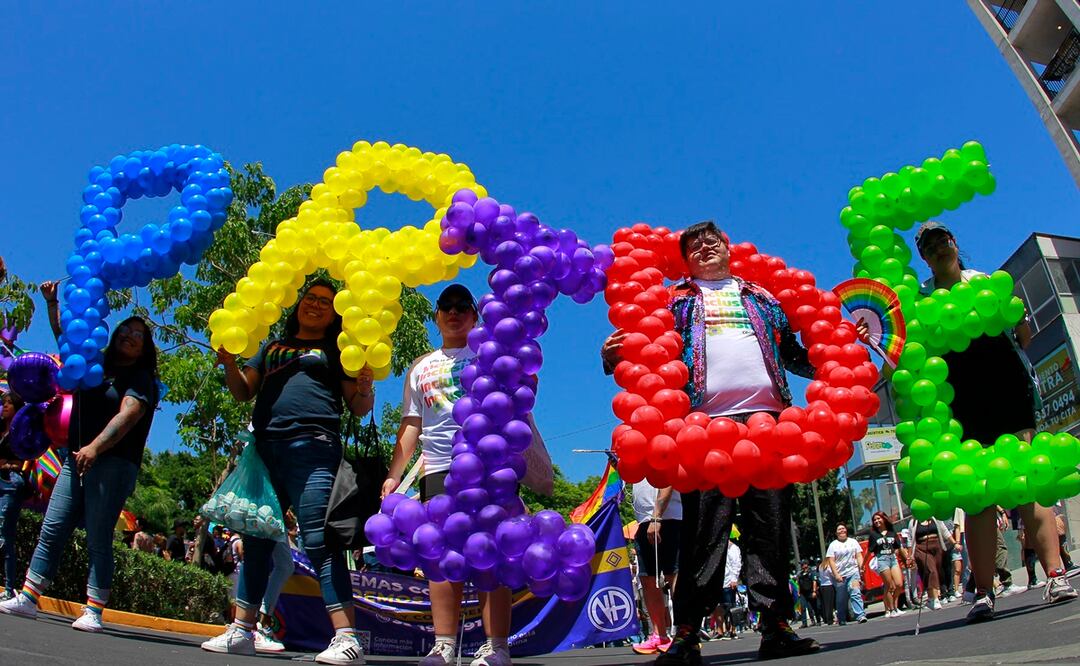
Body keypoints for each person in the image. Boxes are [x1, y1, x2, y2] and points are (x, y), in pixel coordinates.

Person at [603, 221, 820, 663]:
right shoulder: (674, 300)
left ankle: (775, 624)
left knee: (771, 527)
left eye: (712, 241)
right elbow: (644, 349)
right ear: (686, 260)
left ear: (727, 248)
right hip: (703, 427)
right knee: (703, 533)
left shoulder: (762, 298)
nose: (704, 248)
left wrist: (838, 351)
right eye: (694, 246)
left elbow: (795, 354)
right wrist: (612, 356)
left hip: (771, 423)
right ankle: (687, 634)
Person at [202, 279, 374, 664]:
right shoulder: (269, 346)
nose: (315, 305)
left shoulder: (336, 350)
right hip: (264, 450)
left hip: (315, 448)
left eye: (326, 303)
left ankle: (347, 639)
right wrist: (229, 364)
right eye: (310, 298)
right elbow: (243, 391)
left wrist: (365, 387)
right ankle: (242, 631)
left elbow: (358, 407)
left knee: (318, 539)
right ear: (298, 303)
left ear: (335, 313)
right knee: (256, 535)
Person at [914, 221, 1078, 622]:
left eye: (942, 240)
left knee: (1028, 483)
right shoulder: (919, 299)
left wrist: (1016, 319)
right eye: (929, 246)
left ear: (954, 243)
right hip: (960, 401)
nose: (938, 249)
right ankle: (985, 591)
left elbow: (1021, 331)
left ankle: (1056, 575)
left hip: (1006, 389)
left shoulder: (984, 281)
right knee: (979, 498)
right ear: (923, 256)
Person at [1, 283, 159, 634]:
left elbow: (128, 414)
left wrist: (96, 448)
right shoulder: (94, 364)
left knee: (99, 534)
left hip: (113, 462)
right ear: (115, 334)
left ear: (144, 348)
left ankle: (94, 609)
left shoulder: (140, 378)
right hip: (76, 457)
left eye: (139, 335)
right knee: (52, 526)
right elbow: (65, 339)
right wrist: (52, 302)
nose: (131, 337)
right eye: (127, 331)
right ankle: (29, 595)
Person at [382, 284, 514, 666]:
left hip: (488, 464)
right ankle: (443, 644)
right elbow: (410, 423)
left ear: (474, 316)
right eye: (446, 307)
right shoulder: (420, 367)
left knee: (491, 551)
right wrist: (395, 475)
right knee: (440, 555)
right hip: (437, 467)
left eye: (462, 307)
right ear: (437, 316)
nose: (454, 313)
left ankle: (497, 645)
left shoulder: (489, 354)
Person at [630, 481, 681, 655]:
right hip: (644, 521)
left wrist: (657, 516)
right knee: (647, 578)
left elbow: (667, 479)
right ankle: (659, 635)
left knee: (673, 575)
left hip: (667, 518)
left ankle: (683, 634)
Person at [253, 509, 298, 653]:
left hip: (274, 512)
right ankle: (253, 626)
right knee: (256, 560)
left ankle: (259, 623)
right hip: (264, 509)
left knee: (284, 565)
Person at [0, 390, 30, 599]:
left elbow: (26, 459)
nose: (5, 407)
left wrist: (11, 465)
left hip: (10, 481)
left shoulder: (21, 432)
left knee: (3, 534)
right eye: (3, 404)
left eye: (8, 404)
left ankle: (9, 588)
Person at [905, 515, 951, 610]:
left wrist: (955, 542)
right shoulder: (913, 522)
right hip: (921, 548)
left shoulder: (934, 518)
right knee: (931, 570)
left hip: (936, 546)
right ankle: (934, 599)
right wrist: (910, 556)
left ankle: (932, 598)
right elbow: (910, 540)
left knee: (935, 572)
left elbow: (944, 531)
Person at [867, 512, 907, 618]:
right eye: (874, 520)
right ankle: (892, 609)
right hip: (882, 560)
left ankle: (892, 605)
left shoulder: (891, 532)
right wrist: (862, 566)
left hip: (893, 558)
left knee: (899, 584)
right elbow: (869, 551)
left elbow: (899, 547)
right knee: (889, 586)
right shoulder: (873, 535)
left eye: (878, 518)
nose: (876, 521)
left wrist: (907, 559)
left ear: (884, 519)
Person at [825, 523, 866, 624]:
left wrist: (861, 566)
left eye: (843, 528)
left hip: (853, 571)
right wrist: (836, 574)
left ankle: (860, 615)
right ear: (836, 533)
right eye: (839, 529)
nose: (841, 530)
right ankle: (841, 617)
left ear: (846, 530)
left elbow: (859, 556)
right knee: (841, 597)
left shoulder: (853, 542)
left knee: (855, 592)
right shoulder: (833, 545)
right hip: (840, 574)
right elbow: (831, 561)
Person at [795, 560, 818, 628]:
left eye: (803, 564)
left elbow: (814, 582)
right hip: (803, 593)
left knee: (810, 607)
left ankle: (813, 620)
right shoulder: (800, 574)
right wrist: (798, 592)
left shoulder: (811, 572)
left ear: (806, 564)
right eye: (801, 565)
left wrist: (814, 591)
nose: (802, 566)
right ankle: (804, 623)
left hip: (809, 591)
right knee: (802, 607)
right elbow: (799, 583)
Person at [816, 560, 835, 625]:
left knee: (825, 604)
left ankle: (827, 619)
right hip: (829, 585)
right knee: (830, 604)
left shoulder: (820, 567)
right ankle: (830, 619)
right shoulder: (828, 566)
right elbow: (832, 574)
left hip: (822, 585)